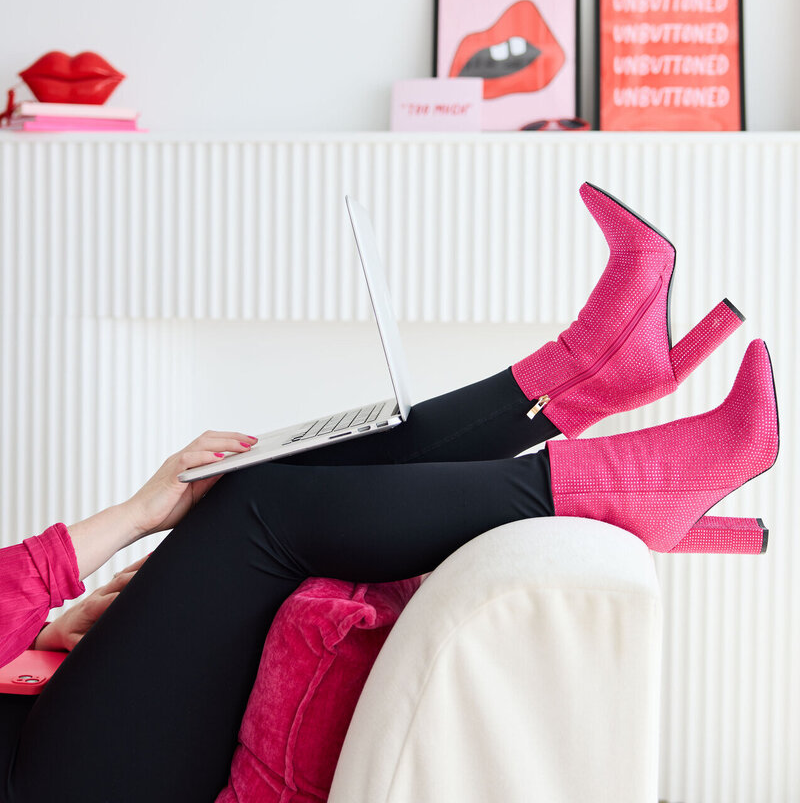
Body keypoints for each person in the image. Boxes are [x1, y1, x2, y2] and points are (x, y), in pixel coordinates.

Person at [0, 184, 780, 803]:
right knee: (255, 513)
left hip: (40, 721)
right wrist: (137, 515)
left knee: (266, 484)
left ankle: (592, 369)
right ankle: (627, 454)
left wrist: (51, 631)